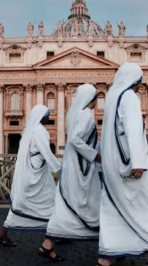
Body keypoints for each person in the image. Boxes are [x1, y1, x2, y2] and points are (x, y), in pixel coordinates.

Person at [97, 63, 148, 266]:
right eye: (139, 83)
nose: (139, 87)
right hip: (129, 166)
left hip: (112, 166)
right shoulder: (128, 97)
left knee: (114, 210)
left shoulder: (111, 97)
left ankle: (105, 259)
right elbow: (133, 129)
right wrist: (138, 161)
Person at [38, 84, 102, 261]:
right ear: (92, 99)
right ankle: (112, 249)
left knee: (67, 202)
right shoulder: (87, 115)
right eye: (97, 97)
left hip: (74, 166)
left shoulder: (73, 113)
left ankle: (48, 243)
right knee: (92, 203)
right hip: (83, 167)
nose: (98, 101)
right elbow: (75, 139)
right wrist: (95, 156)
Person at [0, 105, 61, 246]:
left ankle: (2, 234)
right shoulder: (40, 130)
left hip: (30, 171)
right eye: (47, 114)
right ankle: (53, 237)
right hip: (38, 174)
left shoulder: (27, 130)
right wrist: (58, 167)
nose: (49, 116)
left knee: (20, 205)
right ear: (42, 116)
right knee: (53, 201)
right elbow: (46, 151)